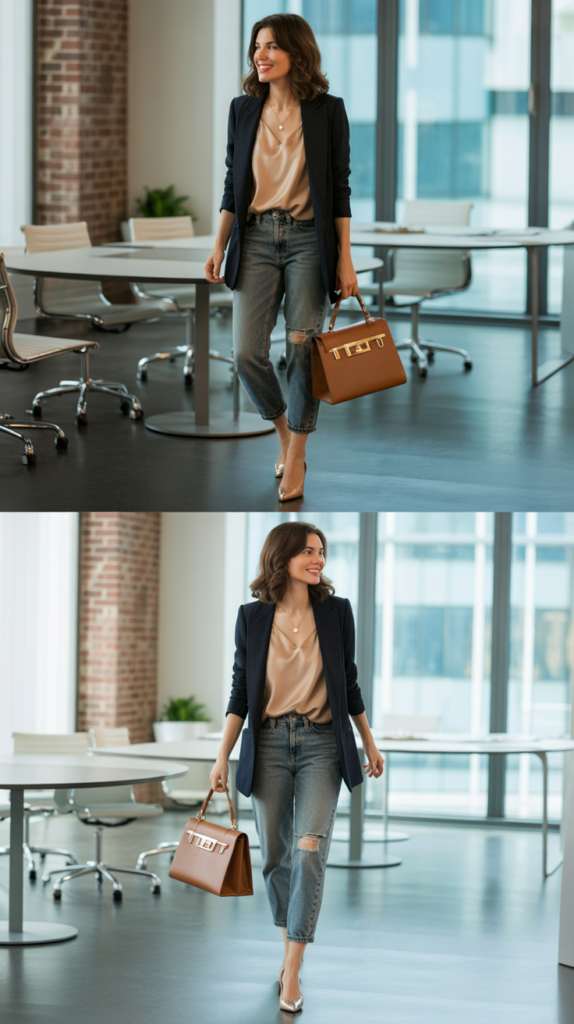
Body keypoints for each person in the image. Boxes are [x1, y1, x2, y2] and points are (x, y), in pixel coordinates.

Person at [209, 521, 383, 1013]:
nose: (318, 559)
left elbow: (349, 682)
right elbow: (241, 691)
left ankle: (292, 966)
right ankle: (290, 945)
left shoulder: (336, 612)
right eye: (308, 551)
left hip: (321, 744)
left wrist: (369, 742)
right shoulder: (251, 617)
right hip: (267, 744)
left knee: (309, 850)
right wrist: (221, 755)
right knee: (276, 857)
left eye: (321, 552)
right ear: (281, 557)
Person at [205, 13, 359, 502]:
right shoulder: (243, 109)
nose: (260, 55)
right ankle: (285, 435)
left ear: (297, 51)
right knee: (246, 353)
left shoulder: (328, 110)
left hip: (309, 240)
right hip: (254, 238)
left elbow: (339, 189)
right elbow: (233, 184)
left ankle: (296, 457)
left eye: (271, 46)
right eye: (257, 46)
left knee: (300, 349)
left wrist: (346, 258)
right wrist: (219, 244)